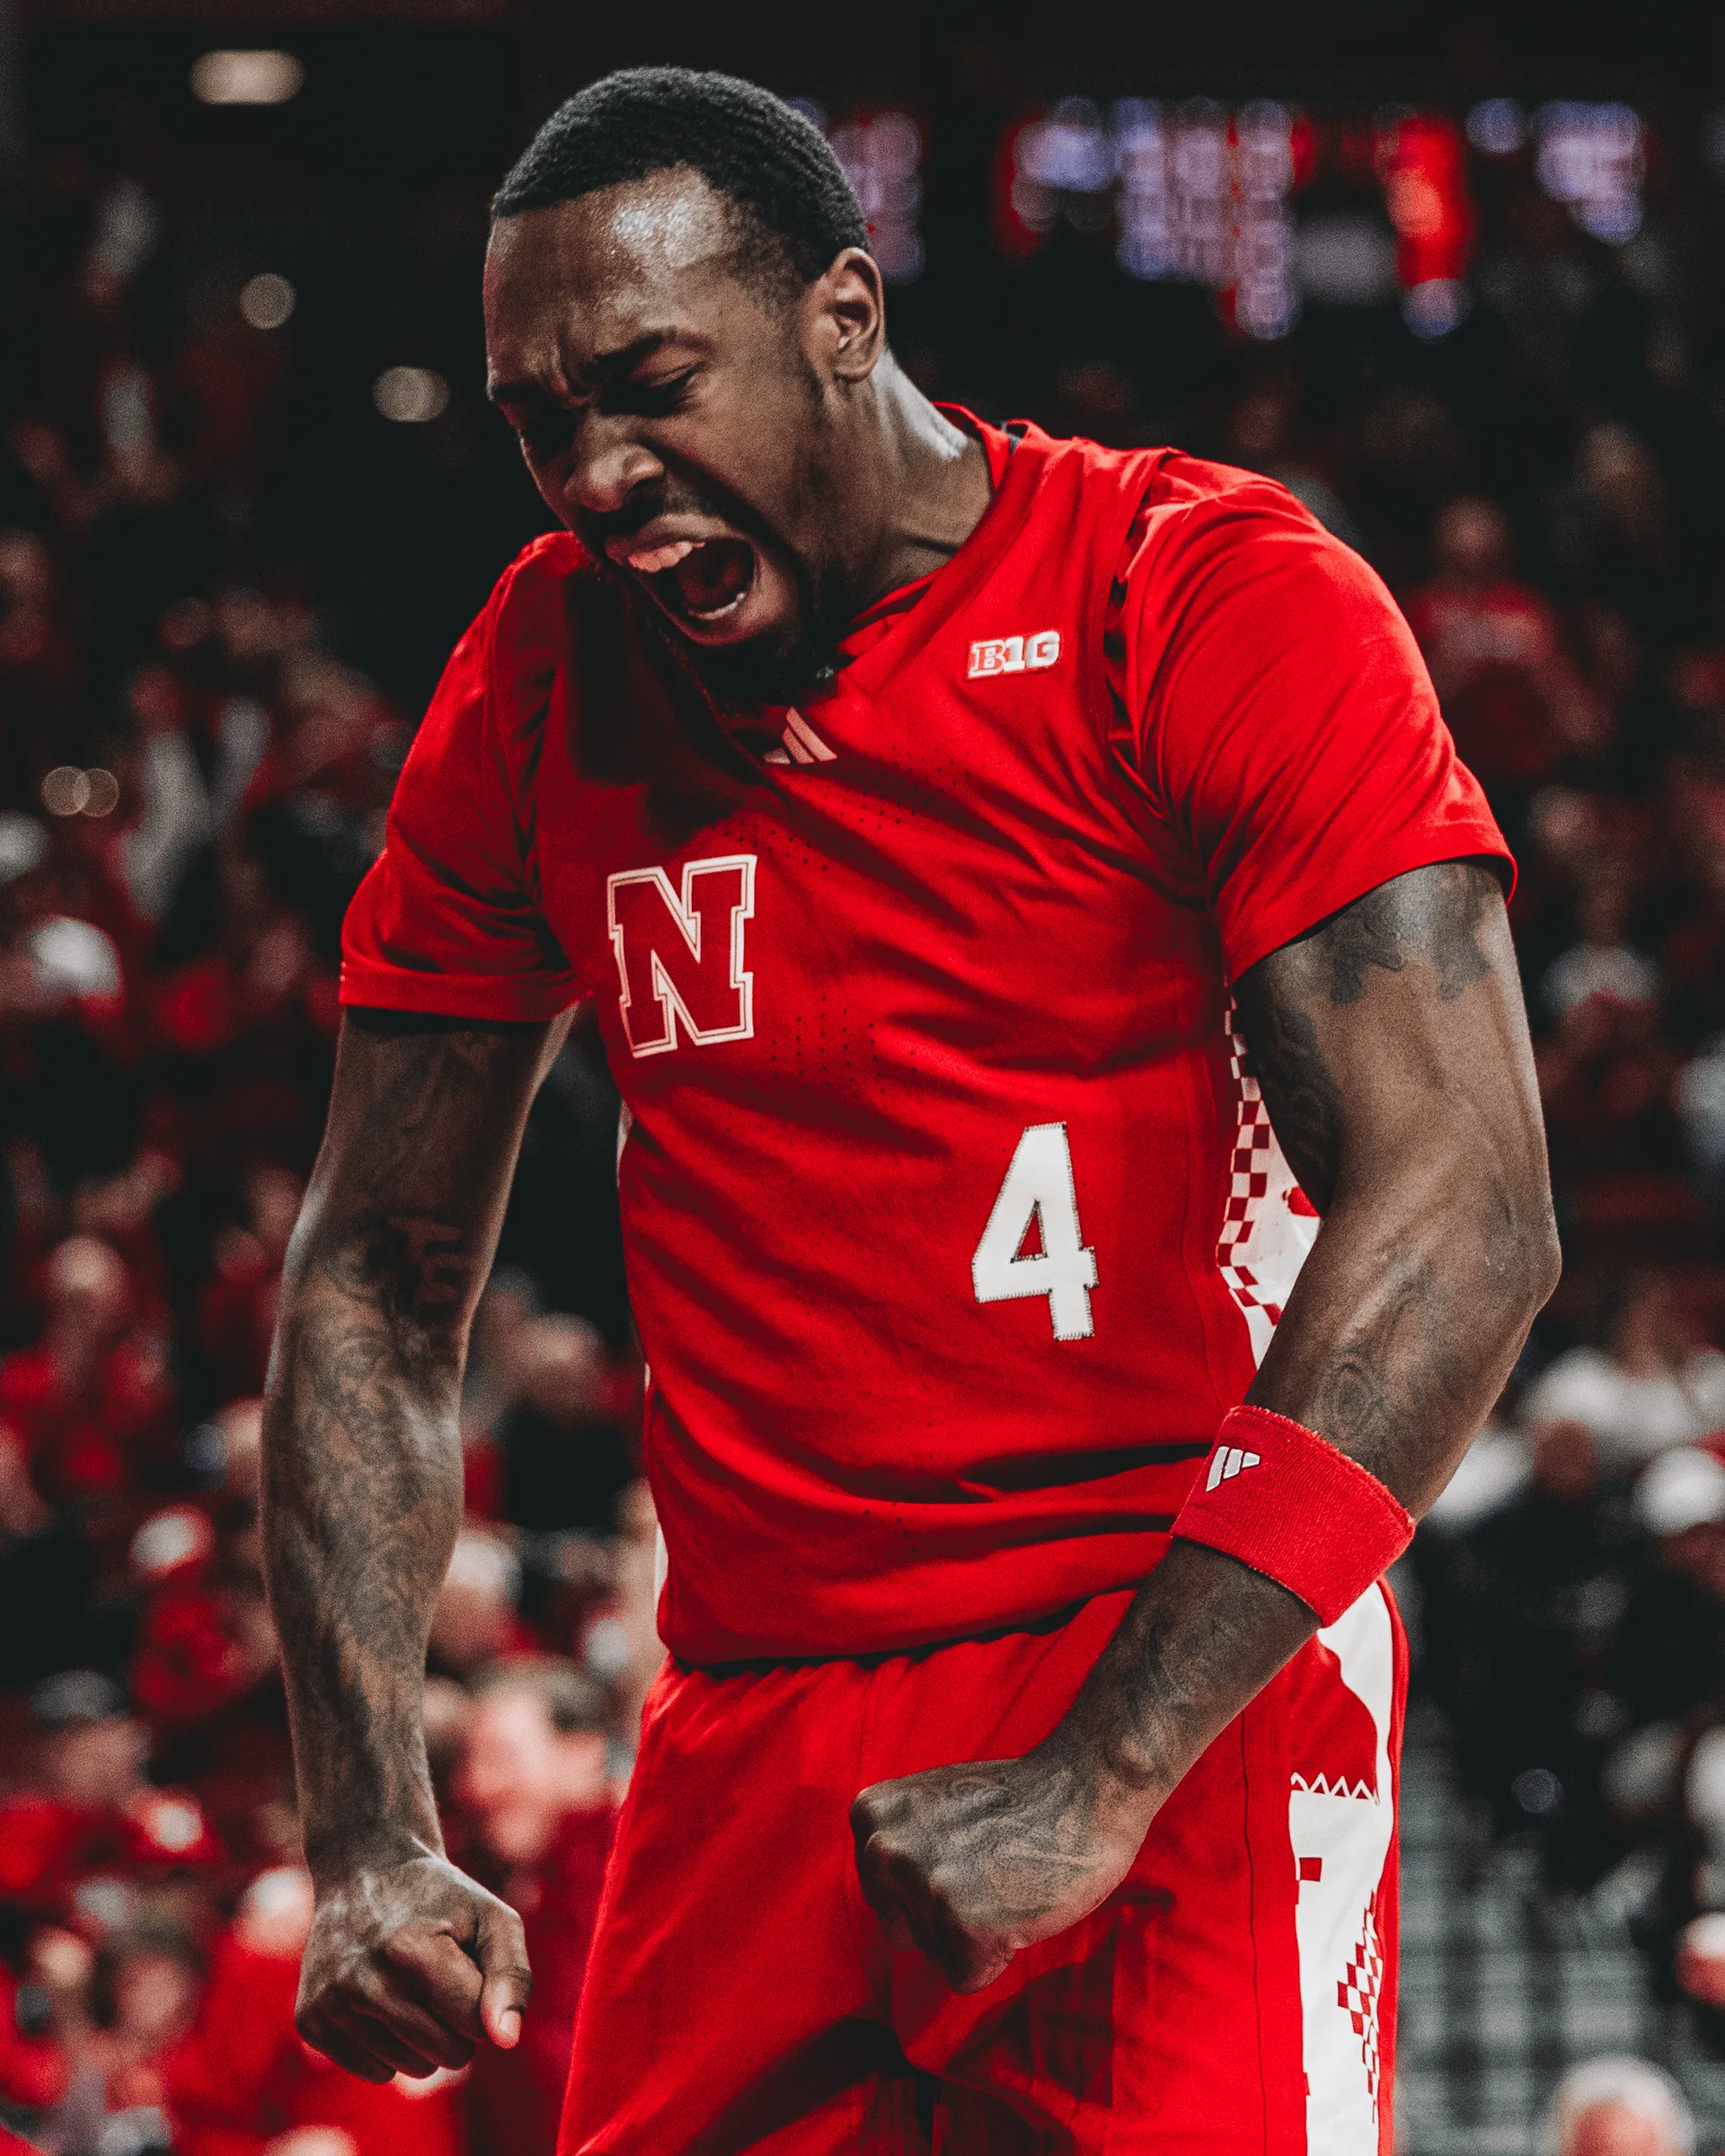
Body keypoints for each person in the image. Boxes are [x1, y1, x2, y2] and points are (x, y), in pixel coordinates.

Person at [260, 67, 1559, 2155]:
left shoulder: (1198, 590)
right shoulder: (535, 673)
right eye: (534, 419)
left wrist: (1105, 1768)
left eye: (649, 383)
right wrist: (365, 1823)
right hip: (747, 1702)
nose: (593, 472)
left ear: (841, 319)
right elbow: (378, 1272)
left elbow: (1468, 1205)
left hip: (1168, 1650)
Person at [454, 1660, 616, 2156]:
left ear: (583, 1754)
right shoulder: (472, 1875)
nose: (476, 1787)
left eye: (501, 1758)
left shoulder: (649, 1877)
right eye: (469, 1763)